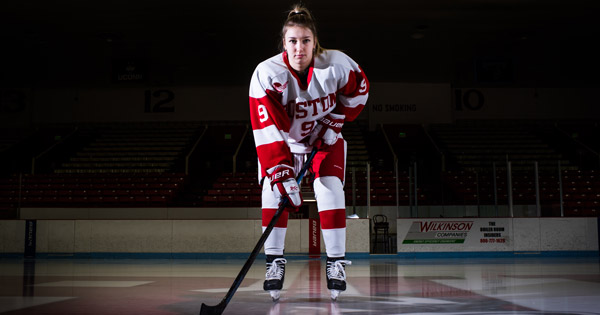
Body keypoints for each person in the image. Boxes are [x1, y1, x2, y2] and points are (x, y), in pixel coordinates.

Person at [248, 3, 369, 301]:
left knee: (329, 188)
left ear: (315, 42)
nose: (299, 48)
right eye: (292, 41)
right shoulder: (266, 73)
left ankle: (336, 262)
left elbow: (360, 90)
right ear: (283, 43)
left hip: (325, 140)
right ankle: (274, 262)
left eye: (305, 41)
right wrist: (280, 172)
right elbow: (266, 127)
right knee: (271, 190)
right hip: (285, 145)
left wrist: (336, 120)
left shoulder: (337, 64)